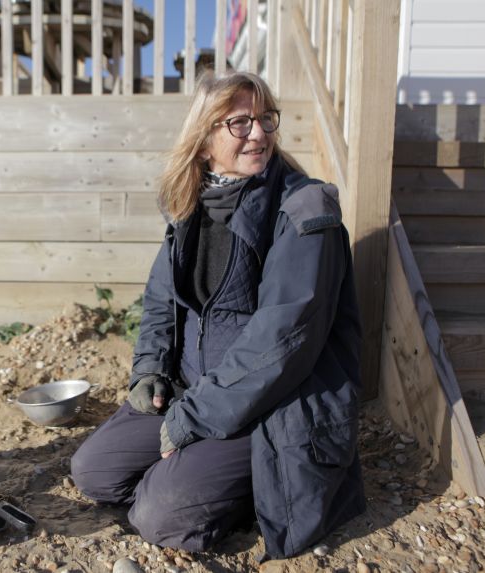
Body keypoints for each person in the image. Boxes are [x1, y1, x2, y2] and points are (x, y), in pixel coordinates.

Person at [70, 70, 365, 559]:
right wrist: (150, 370)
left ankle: (247, 488)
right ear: (204, 139)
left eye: (266, 119)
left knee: (157, 514)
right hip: (195, 389)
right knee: (94, 472)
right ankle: (201, 476)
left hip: (271, 406)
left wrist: (195, 419)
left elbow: (283, 341)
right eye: (240, 122)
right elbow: (161, 301)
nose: (259, 133)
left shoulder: (303, 210)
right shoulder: (192, 202)